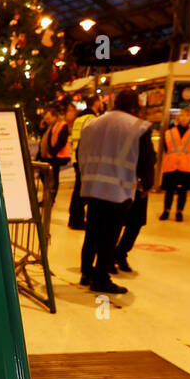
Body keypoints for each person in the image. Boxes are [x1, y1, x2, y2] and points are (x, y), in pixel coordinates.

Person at [77, 89, 155, 295]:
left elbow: (80, 153)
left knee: (92, 233)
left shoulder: (92, 123)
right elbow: (147, 161)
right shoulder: (139, 127)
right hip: (118, 190)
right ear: (134, 106)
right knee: (109, 236)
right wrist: (146, 185)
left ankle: (86, 273)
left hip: (92, 187)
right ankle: (101, 278)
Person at [158, 107, 190, 221]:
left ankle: (179, 212)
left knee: (183, 191)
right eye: (182, 115)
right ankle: (166, 211)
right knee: (169, 190)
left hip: (187, 165)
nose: (184, 118)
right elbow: (166, 148)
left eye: (187, 115)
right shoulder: (169, 132)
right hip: (171, 164)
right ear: (178, 117)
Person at [68, 95, 105, 229]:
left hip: (77, 158)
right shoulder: (92, 119)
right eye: (101, 101)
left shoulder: (79, 119)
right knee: (82, 190)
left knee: (78, 189)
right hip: (85, 159)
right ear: (95, 103)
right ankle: (76, 220)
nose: (102, 104)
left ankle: (74, 218)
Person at [39, 103, 73, 190]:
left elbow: (61, 141)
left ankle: (51, 198)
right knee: (45, 176)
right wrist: (42, 129)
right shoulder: (50, 127)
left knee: (53, 178)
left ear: (54, 117)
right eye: (45, 119)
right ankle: (48, 198)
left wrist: (52, 153)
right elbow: (44, 142)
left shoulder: (61, 125)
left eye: (48, 118)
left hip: (57, 157)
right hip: (50, 156)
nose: (47, 121)